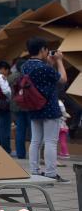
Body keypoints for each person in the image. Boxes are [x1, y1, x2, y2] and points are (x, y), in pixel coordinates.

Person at [23, 37, 68, 182]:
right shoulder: (44, 68)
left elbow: (42, 78)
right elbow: (62, 79)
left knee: (36, 140)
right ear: (42, 49)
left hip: (33, 106)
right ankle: (51, 173)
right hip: (49, 107)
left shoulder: (25, 66)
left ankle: (34, 170)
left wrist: (49, 63)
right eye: (46, 49)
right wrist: (60, 61)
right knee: (50, 141)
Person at [10, 58, 30, 159]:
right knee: (33, 130)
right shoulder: (29, 75)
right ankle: (36, 154)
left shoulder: (11, 77)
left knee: (20, 130)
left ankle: (20, 154)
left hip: (16, 106)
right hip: (28, 106)